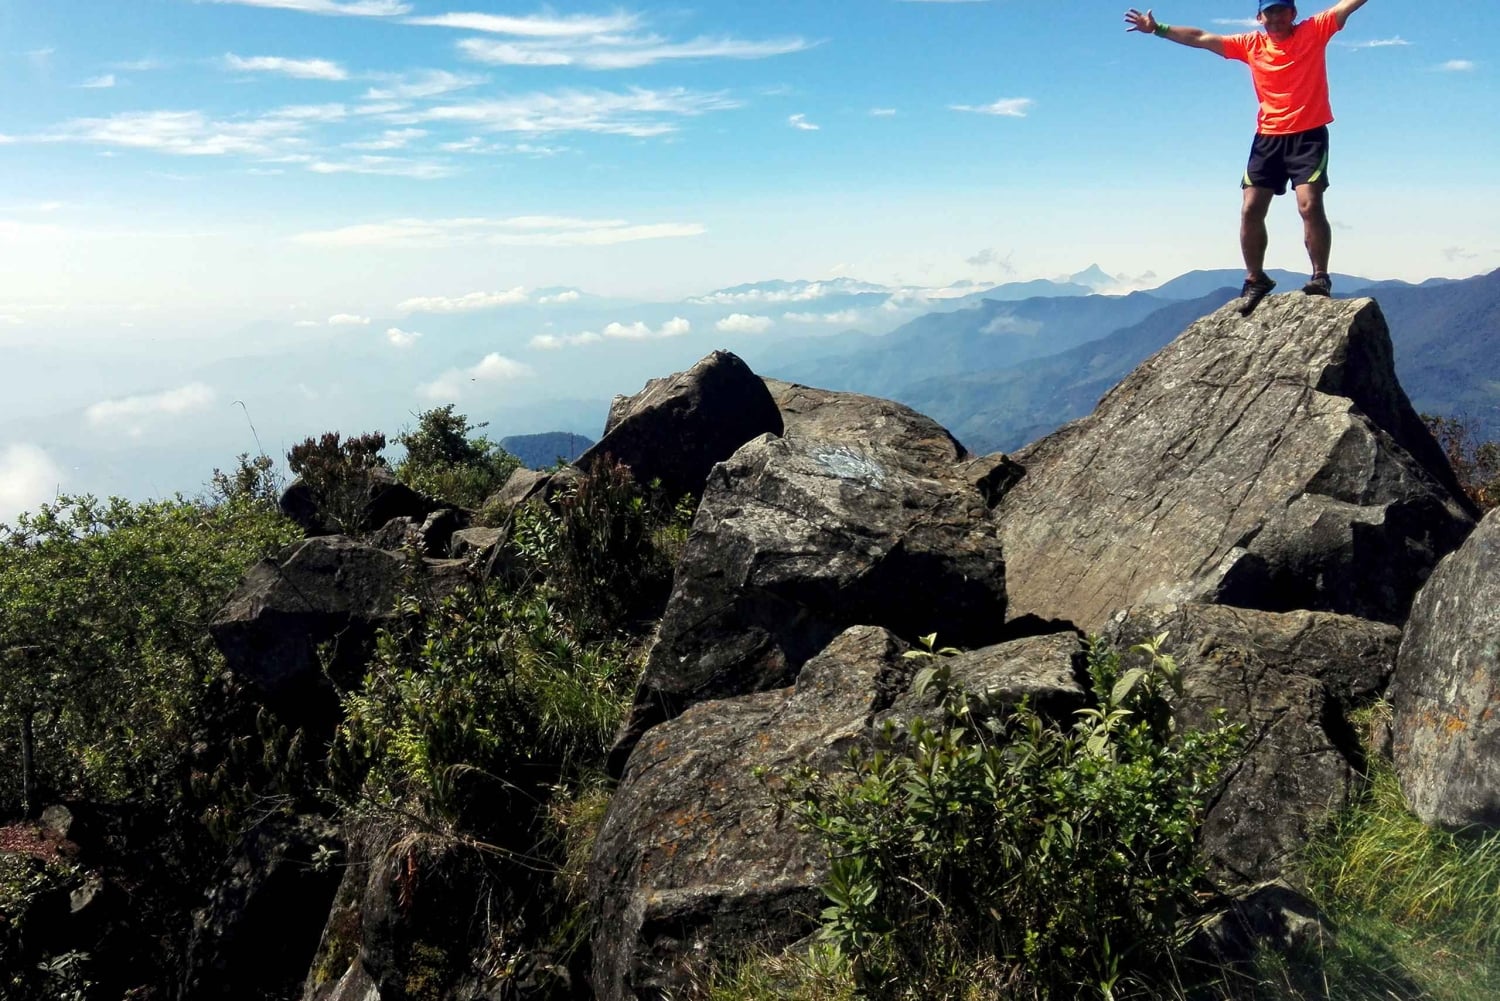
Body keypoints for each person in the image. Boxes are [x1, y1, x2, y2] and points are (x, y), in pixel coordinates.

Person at [1124, 0, 1371, 312]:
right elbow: (1200, 37)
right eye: (1270, 12)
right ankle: (1256, 279)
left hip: (1309, 136)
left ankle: (1320, 278)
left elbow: (1347, 5)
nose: (1276, 17)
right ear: (1260, 17)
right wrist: (1158, 29)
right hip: (1267, 138)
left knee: (1309, 205)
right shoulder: (1251, 45)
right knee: (1251, 209)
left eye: (1282, 10)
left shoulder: (1314, 30)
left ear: (1293, 13)